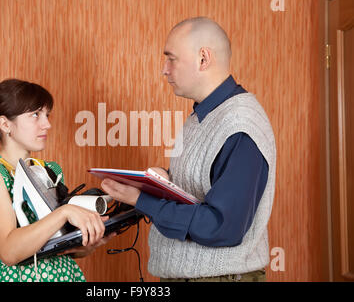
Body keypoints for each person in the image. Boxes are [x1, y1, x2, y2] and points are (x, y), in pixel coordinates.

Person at [101, 17, 276, 282]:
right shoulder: (201, 116)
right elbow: (202, 185)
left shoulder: (241, 126)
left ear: (203, 59)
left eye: (171, 59)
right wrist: (164, 180)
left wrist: (142, 200)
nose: (164, 70)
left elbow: (223, 226)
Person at [0, 79, 112, 282]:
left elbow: (55, 249)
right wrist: (65, 213)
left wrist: (87, 243)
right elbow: (9, 251)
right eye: (35, 115)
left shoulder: (49, 170)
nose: (47, 124)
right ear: (5, 124)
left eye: (46, 115)